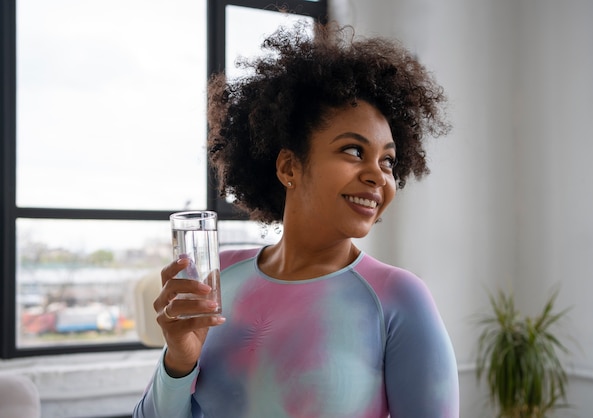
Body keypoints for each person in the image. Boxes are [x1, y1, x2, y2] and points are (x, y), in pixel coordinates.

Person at [134, 21, 459, 418]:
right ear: (289, 166)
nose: (378, 175)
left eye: (388, 160)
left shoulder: (398, 298)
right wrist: (179, 359)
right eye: (354, 151)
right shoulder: (218, 279)